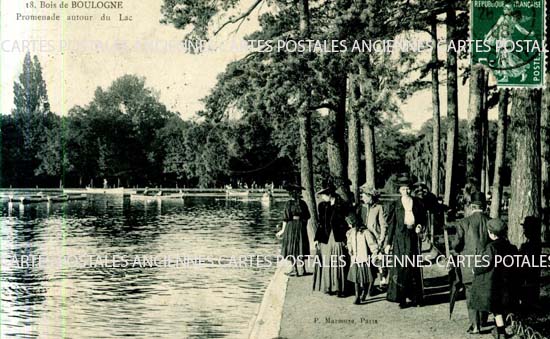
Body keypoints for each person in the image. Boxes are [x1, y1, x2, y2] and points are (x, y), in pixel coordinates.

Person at [446, 191, 490, 334]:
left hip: (468, 264)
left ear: (471, 207)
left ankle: (475, 325)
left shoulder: (464, 223)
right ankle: (483, 320)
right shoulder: (491, 221)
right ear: (484, 207)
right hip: (487, 263)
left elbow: (456, 245)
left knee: (470, 293)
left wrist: (454, 244)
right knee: (484, 291)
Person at [470, 218, 518, 339]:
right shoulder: (511, 247)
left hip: (494, 283)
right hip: (508, 282)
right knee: (501, 308)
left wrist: (475, 269)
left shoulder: (491, 247)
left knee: (496, 309)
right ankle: (502, 329)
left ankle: (501, 331)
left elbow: (485, 264)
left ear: (491, 233)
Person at [384, 174, 425, 308]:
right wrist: (388, 243)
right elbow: (391, 225)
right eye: (403, 189)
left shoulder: (418, 202)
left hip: (412, 237)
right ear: (399, 190)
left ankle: (416, 298)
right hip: (399, 239)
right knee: (401, 268)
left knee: (413, 267)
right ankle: (401, 299)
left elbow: (422, 219)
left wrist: (419, 226)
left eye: (408, 189)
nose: (406, 191)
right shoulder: (395, 205)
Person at [313, 182, 349, 297]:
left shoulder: (342, 205)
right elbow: (320, 224)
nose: (322, 197)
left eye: (324, 195)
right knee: (327, 261)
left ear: (329, 194)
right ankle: (329, 286)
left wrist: (346, 238)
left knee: (338, 261)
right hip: (326, 237)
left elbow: (346, 222)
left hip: (338, 237)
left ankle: (340, 288)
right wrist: (317, 239)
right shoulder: (323, 206)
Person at [276, 183, 311, 276]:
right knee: (300, 246)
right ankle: (303, 269)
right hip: (301, 226)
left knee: (292, 246)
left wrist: (282, 230)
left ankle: (294, 269)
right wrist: (303, 226)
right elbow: (307, 216)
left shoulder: (289, 204)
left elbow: (286, 218)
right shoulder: (303, 203)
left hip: (291, 226)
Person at [358, 184, 388, 288]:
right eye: (362, 195)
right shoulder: (361, 207)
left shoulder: (379, 208)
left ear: (370, 196)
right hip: (364, 238)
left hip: (376, 238)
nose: (363, 197)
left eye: (365, 196)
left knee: (379, 260)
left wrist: (381, 239)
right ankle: (367, 283)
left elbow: (383, 225)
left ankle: (382, 281)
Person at [346, 213, 379, 304]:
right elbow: (349, 242)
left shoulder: (365, 232)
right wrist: (350, 249)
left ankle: (364, 292)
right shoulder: (351, 232)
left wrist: (375, 252)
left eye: (349, 223)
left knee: (365, 278)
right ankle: (357, 295)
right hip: (355, 259)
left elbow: (372, 244)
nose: (348, 225)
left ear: (354, 223)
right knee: (356, 278)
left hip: (364, 258)